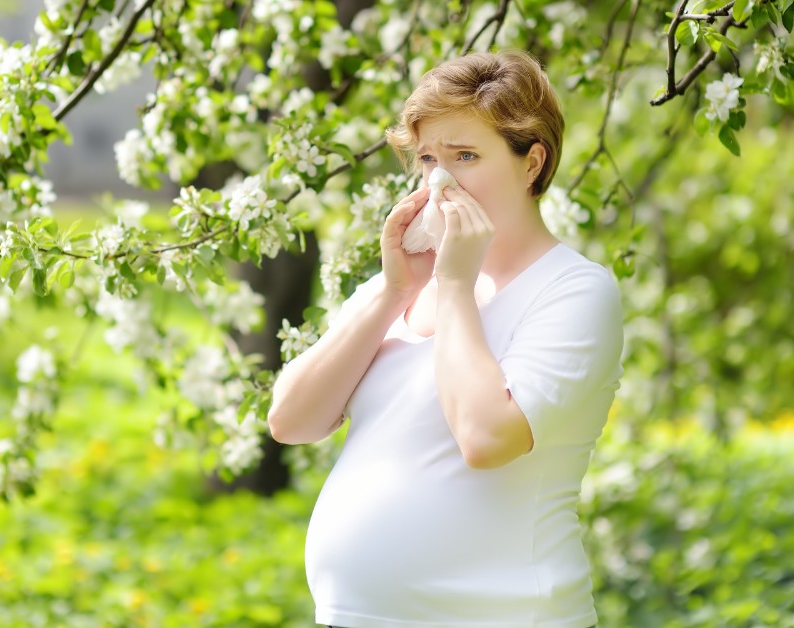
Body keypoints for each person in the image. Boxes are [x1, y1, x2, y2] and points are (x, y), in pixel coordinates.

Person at [267, 50, 625, 628]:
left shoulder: (574, 291)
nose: (440, 180)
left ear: (532, 163)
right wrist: (394, 292)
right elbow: (291, 421)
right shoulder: (403, 283)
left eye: (466, 156)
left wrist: (455, 284)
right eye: (429, 158)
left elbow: (486, 438)